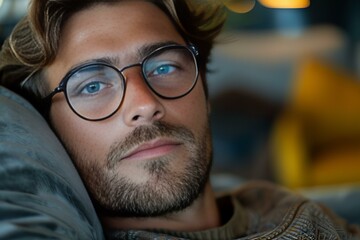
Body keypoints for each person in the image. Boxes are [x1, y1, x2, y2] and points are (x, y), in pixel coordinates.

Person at [0, 0, 359, 239]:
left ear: (203, 87)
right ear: (48, 129)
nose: (144, 103)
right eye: (92, 86)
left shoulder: (276, 203)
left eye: (164, 66)